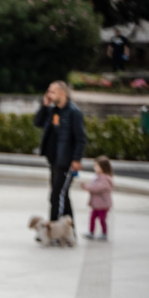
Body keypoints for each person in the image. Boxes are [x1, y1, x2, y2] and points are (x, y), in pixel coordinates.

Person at [33, 80, 88, 226]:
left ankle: (53, 229)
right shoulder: (52, 110)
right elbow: (37, 122)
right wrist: (44, 105)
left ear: (62, 93)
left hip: (66, 162)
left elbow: (81, 138)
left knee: (56, 196)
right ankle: (69, 231)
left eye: (52, 92)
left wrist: (76, 159)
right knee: (62, 196)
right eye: (48, 91)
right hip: (54, 161)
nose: (49, 95)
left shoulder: (73, 112)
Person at [80, 155, 114, 241]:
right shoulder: (98, 176)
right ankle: (91, 232)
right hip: (96, 204)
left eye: (96, 166)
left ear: (103, 167)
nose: (94, 167)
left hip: (103, 204)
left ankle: (104, 233)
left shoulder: (105, 178)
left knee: (102, 219)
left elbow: (99, 187)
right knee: (92, 218)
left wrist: (87, 187)